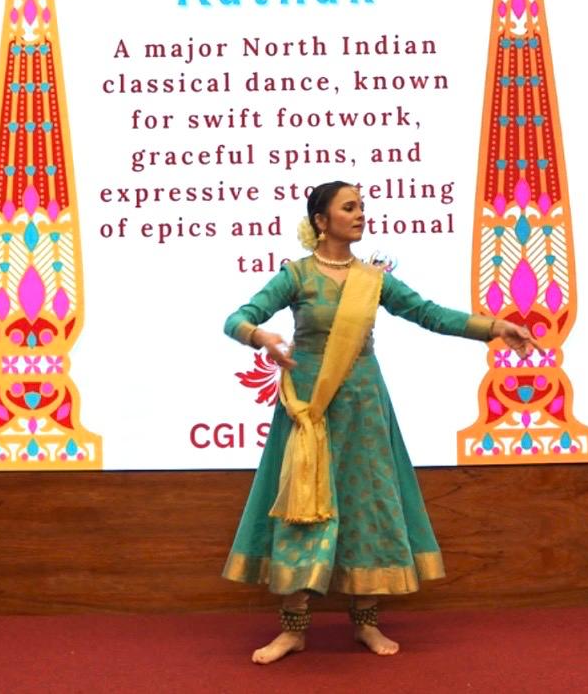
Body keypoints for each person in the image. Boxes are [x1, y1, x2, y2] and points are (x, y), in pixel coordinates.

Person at [221, 180, 532, 663]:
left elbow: (428, 314)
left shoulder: (375, 279)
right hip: (310, 411)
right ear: (321, 220)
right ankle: (293, 629)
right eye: (349, 208)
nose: (360, 214)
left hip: (365, 408)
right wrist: (261, 337)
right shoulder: (297, 276)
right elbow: (237, 318)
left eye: (362, 206)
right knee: (302, 507)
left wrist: (493, 327)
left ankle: (366, 623)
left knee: (366, 505)